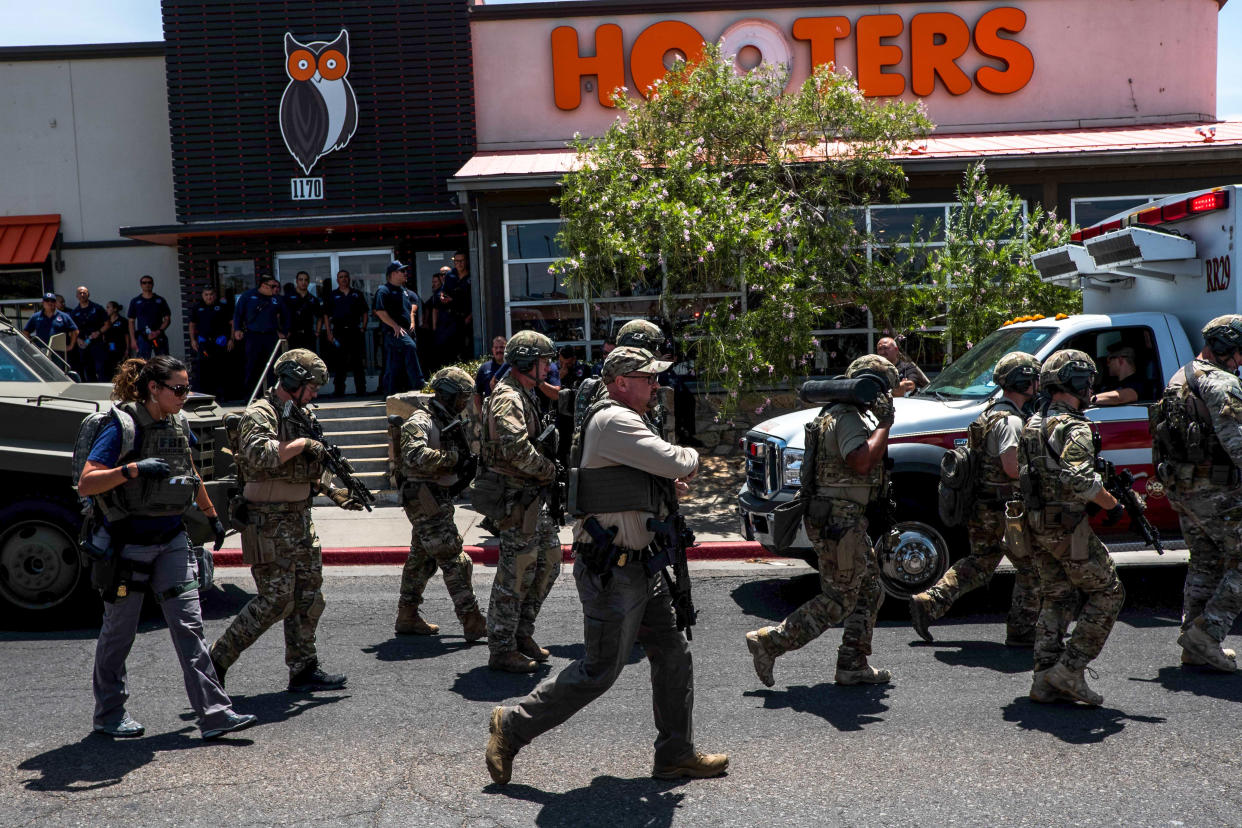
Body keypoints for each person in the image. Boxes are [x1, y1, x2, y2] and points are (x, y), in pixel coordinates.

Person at [485, 346, 728, 785]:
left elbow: (640, 475)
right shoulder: (614, 418)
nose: (656, 384)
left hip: (642, 567)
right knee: (599, 671)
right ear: (620, 382)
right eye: (647, 377)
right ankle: (512, 726)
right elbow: (677, 459)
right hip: (611, 573)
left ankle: (675, 754)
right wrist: (688, 458)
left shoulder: (626, 419)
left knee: (673, 653)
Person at [77, 355, 256, 740]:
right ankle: (108, 715)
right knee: (119, 632)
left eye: (187, 387)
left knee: (190, 627)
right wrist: (134, 469)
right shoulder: (122, 426)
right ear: (153, 389)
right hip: (128, 548)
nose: (184, 395)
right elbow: (87, 483)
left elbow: (191, 473)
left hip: (172, 540)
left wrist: (211, 517)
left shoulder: (178, 422)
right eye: (178, 389)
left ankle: (214, 713)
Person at [209, 349, 361, 692]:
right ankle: (215, 660)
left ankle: (304, 667)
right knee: (275, 600)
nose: (315, 393)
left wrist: (334, 491)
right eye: (311, 385)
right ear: (292, 381)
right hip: (267, 521)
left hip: (299, 519)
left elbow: (307, 467)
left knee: (309, 595)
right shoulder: (260, 413)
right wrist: (302, 443)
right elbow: (258, 454)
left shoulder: (301, 414)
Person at [744, 355, 899, 689]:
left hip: (841, 519)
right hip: (840, 522)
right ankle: (771, 642)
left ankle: (853, 664)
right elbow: (859, 461)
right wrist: (885, 425)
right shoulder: (847, 418)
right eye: (885, 390)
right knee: (840, 598)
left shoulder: (834, 412)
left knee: (870, 590)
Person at [909, 353, 1042, 645]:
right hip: (1006, 511)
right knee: (1032, 567)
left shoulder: (989, 414)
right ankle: (1022, 630)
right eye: (1033, 378)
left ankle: (930, 601)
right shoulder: (1011, 421)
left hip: (983, 506)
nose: (1037, 383)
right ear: (1022, 381)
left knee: (980, 563)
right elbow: (1010, 466)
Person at [1019, 349, 1126, 706]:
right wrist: (1112, 505)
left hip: (1037, 525)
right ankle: (1069, 669)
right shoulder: (1074, 426)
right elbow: (1079, 479)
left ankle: (1043, 680)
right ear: (1076, 382)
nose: (1090, 389)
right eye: (1087, 382)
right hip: (1067, 528)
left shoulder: (1033, 422)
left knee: (1058, 596)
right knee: (1109, 591)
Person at [1153, 315, 1242, 672]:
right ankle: (1207, 634)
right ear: (1226, 347)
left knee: (1205, 561)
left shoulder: (1179, 377)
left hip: (1185, 489)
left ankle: (1194, 639)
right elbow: (1237, 444)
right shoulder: (1221, 384)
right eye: (1239, 352)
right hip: (1218, 491)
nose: (1241, 360)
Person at [478, 330, 560, 673]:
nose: (549, 367)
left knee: (549, 561)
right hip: (515, 498)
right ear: (527, 362)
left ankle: (521, 633)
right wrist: (550, 470)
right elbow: (516, 450)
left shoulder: (525, 393)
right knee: (515, 573)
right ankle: (501, 647)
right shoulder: (507, 397)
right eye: (543, 361)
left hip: (531, 497)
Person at [393, 366, 487, 640]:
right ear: (445, 394)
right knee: (453, 557)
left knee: (421, 560)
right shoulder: (421, 421)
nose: (464, 403)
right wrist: (453, 459)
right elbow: (414, 455)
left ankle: (407, 615)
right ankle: (472, 620)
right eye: (461, 397)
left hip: (436, 495)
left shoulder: (445, 419)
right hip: (423, 496)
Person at [373, 261, 424, 395]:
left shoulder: (404, 291)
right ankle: (419, 383)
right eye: (402, 271)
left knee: (393, 364)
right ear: (393, 274)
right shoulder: (384, 290)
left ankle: (390, 393)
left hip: (406, 331)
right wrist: (394, 325)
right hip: (393, 332)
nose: (405, 273)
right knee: (410, 347)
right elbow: (379, 311)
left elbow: (409, 311)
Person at [232, 276, 288, 396]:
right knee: (252, 366)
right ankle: (251, 396)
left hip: (271, 336)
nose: (276, 289)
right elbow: (238, 314)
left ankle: (272, 396)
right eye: (273, 286)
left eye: (277, 287)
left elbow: (286, 316)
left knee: (273, 366)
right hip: (253, 335)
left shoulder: (276, 299)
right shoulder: (248, 296)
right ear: (263, 285)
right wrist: (237, 329)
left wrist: (284, 331)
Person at [326, 269, 370, 397]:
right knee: (340, 363)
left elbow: (365, 312)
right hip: (339, 332)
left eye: (346, 276)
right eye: (341, 277)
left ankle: (361, 390)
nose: (343, 279)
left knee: (357, 362)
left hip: (354, 332)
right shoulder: (333, 295)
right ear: (337, 280)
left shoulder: (356, 294)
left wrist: (363, 327)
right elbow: (326, 315)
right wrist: (329, 333)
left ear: (349, 279)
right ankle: (339, 391)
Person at [188, 285, 233, 399]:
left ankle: (222, 396)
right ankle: (205, 396)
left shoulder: (223, 307)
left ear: (215, 295)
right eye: (206, 295)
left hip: (220, 342)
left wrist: (231, 339)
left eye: (211, 294)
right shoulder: (197, 307)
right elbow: (192, 325)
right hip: (204, 344)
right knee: (204, 370)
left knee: (221, 369)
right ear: (203, 296)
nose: (209, 297)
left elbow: (232, 324)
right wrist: (193, 340)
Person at [68, 286, 110, 382]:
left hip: (97, 343)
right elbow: (71, 331)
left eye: (84, 293)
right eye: (80, 293)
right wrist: (78, 339)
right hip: (83, 345)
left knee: (101, 368)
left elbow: (107, 324)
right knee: (88, 369)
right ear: (76, 296)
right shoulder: (74, 312)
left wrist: (99, 332)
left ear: (88, 294)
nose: (82, 295)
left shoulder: (97, 308)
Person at [127, 276, 172, 359]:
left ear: (153, 284)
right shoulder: (135, 301)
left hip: (158, 335)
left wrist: (159, 331)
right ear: (141, 285)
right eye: (144, 282)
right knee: (142, 362)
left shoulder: (160, 300)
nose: (147, 284)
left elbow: (167, 319)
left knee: (163, 362)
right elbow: (131, 321)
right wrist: (133, 340)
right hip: (143, 336)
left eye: (149, 282)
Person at [444, 250, 474, 359]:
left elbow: (477, 298)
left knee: (468, 346)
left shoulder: (472, 274)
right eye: (456, 261)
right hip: (453, 317)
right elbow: (444, 292)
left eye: (461, 261)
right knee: (452, 347)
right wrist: (443, 298)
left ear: (466, 261)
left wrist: (470, 317)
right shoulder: (450, 276)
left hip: (469, 316)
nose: (459, 264)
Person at [286, 271, 325, 354]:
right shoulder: (288, 297)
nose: (303, 282)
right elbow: (280, 315)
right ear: (296, 281)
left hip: (308, 335)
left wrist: (317, 332)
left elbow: (320, 317)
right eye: (301, 280)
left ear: (308, 282)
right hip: (293, 335)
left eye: (306, 280)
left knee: (308, 362)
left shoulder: (313, 299)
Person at [473, 335, 508, 412]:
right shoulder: (484, 368)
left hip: (510, 409)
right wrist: (481, 414)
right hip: (491, 412)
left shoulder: (513, 368)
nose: (499, 350)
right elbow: (477, 394)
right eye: (496, 348)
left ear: (506, 349)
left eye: (502, 347)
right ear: (492, 350)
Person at [102, 301, 129, 379]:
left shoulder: (122, 321)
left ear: (115, 309)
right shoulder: (106, 321)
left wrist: (127, 349)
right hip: (108, 347)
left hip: (119, 347)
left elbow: (126, 335)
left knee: (119, 366)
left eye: (108, 307)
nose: (106, 309)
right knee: (108, 367)